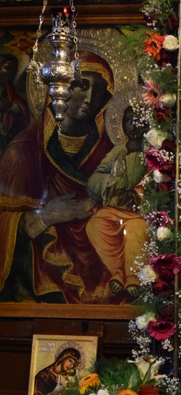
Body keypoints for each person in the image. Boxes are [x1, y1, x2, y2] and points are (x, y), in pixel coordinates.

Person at [0, 51, 122, 304]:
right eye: (81, 85)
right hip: (42, 282)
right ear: (58, 89)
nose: (90, 98)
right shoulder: (22, 152)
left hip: (104, 269)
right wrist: (44, 217)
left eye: (99, 91)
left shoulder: (113, 153)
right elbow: (3, 221)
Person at [85, 105, 148, 297]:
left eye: (138, 121)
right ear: (121, 125)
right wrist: (112, 181)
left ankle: (133, 277)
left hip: (140, 211)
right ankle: (118, 272)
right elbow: (94, 180)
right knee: (95, 225)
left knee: (137, 228)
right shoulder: (118, 151)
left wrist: (138, 194)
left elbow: (157, 180)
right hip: (115, 207)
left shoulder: (152, 150)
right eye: (129, 121)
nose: (133, 127)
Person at [0, 52, 29, 157]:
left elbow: (21, 105)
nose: (10, 73)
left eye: (13, 69)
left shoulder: (10, 90)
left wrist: (10, 106)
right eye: (7, 68)